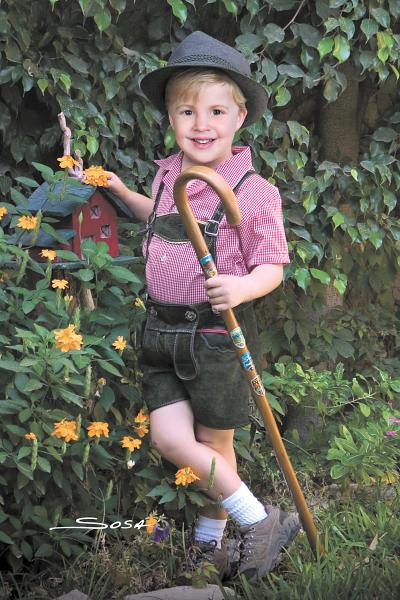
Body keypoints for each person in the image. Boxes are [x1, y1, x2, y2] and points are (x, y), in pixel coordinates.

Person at [105, 31, 300, 583]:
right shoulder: (170, 174)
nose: (201, 123)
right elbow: (161, 221)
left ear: (240, 117)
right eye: (186, 111)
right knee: (170, 436)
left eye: (216, 110)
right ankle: (262, 520)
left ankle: (211, 543)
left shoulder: (254, 190)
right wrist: (123, 191)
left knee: (216, 446)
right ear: (171, 118)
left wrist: (240, 288)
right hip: (161, 334)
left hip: (216, 335)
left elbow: (273, 267)